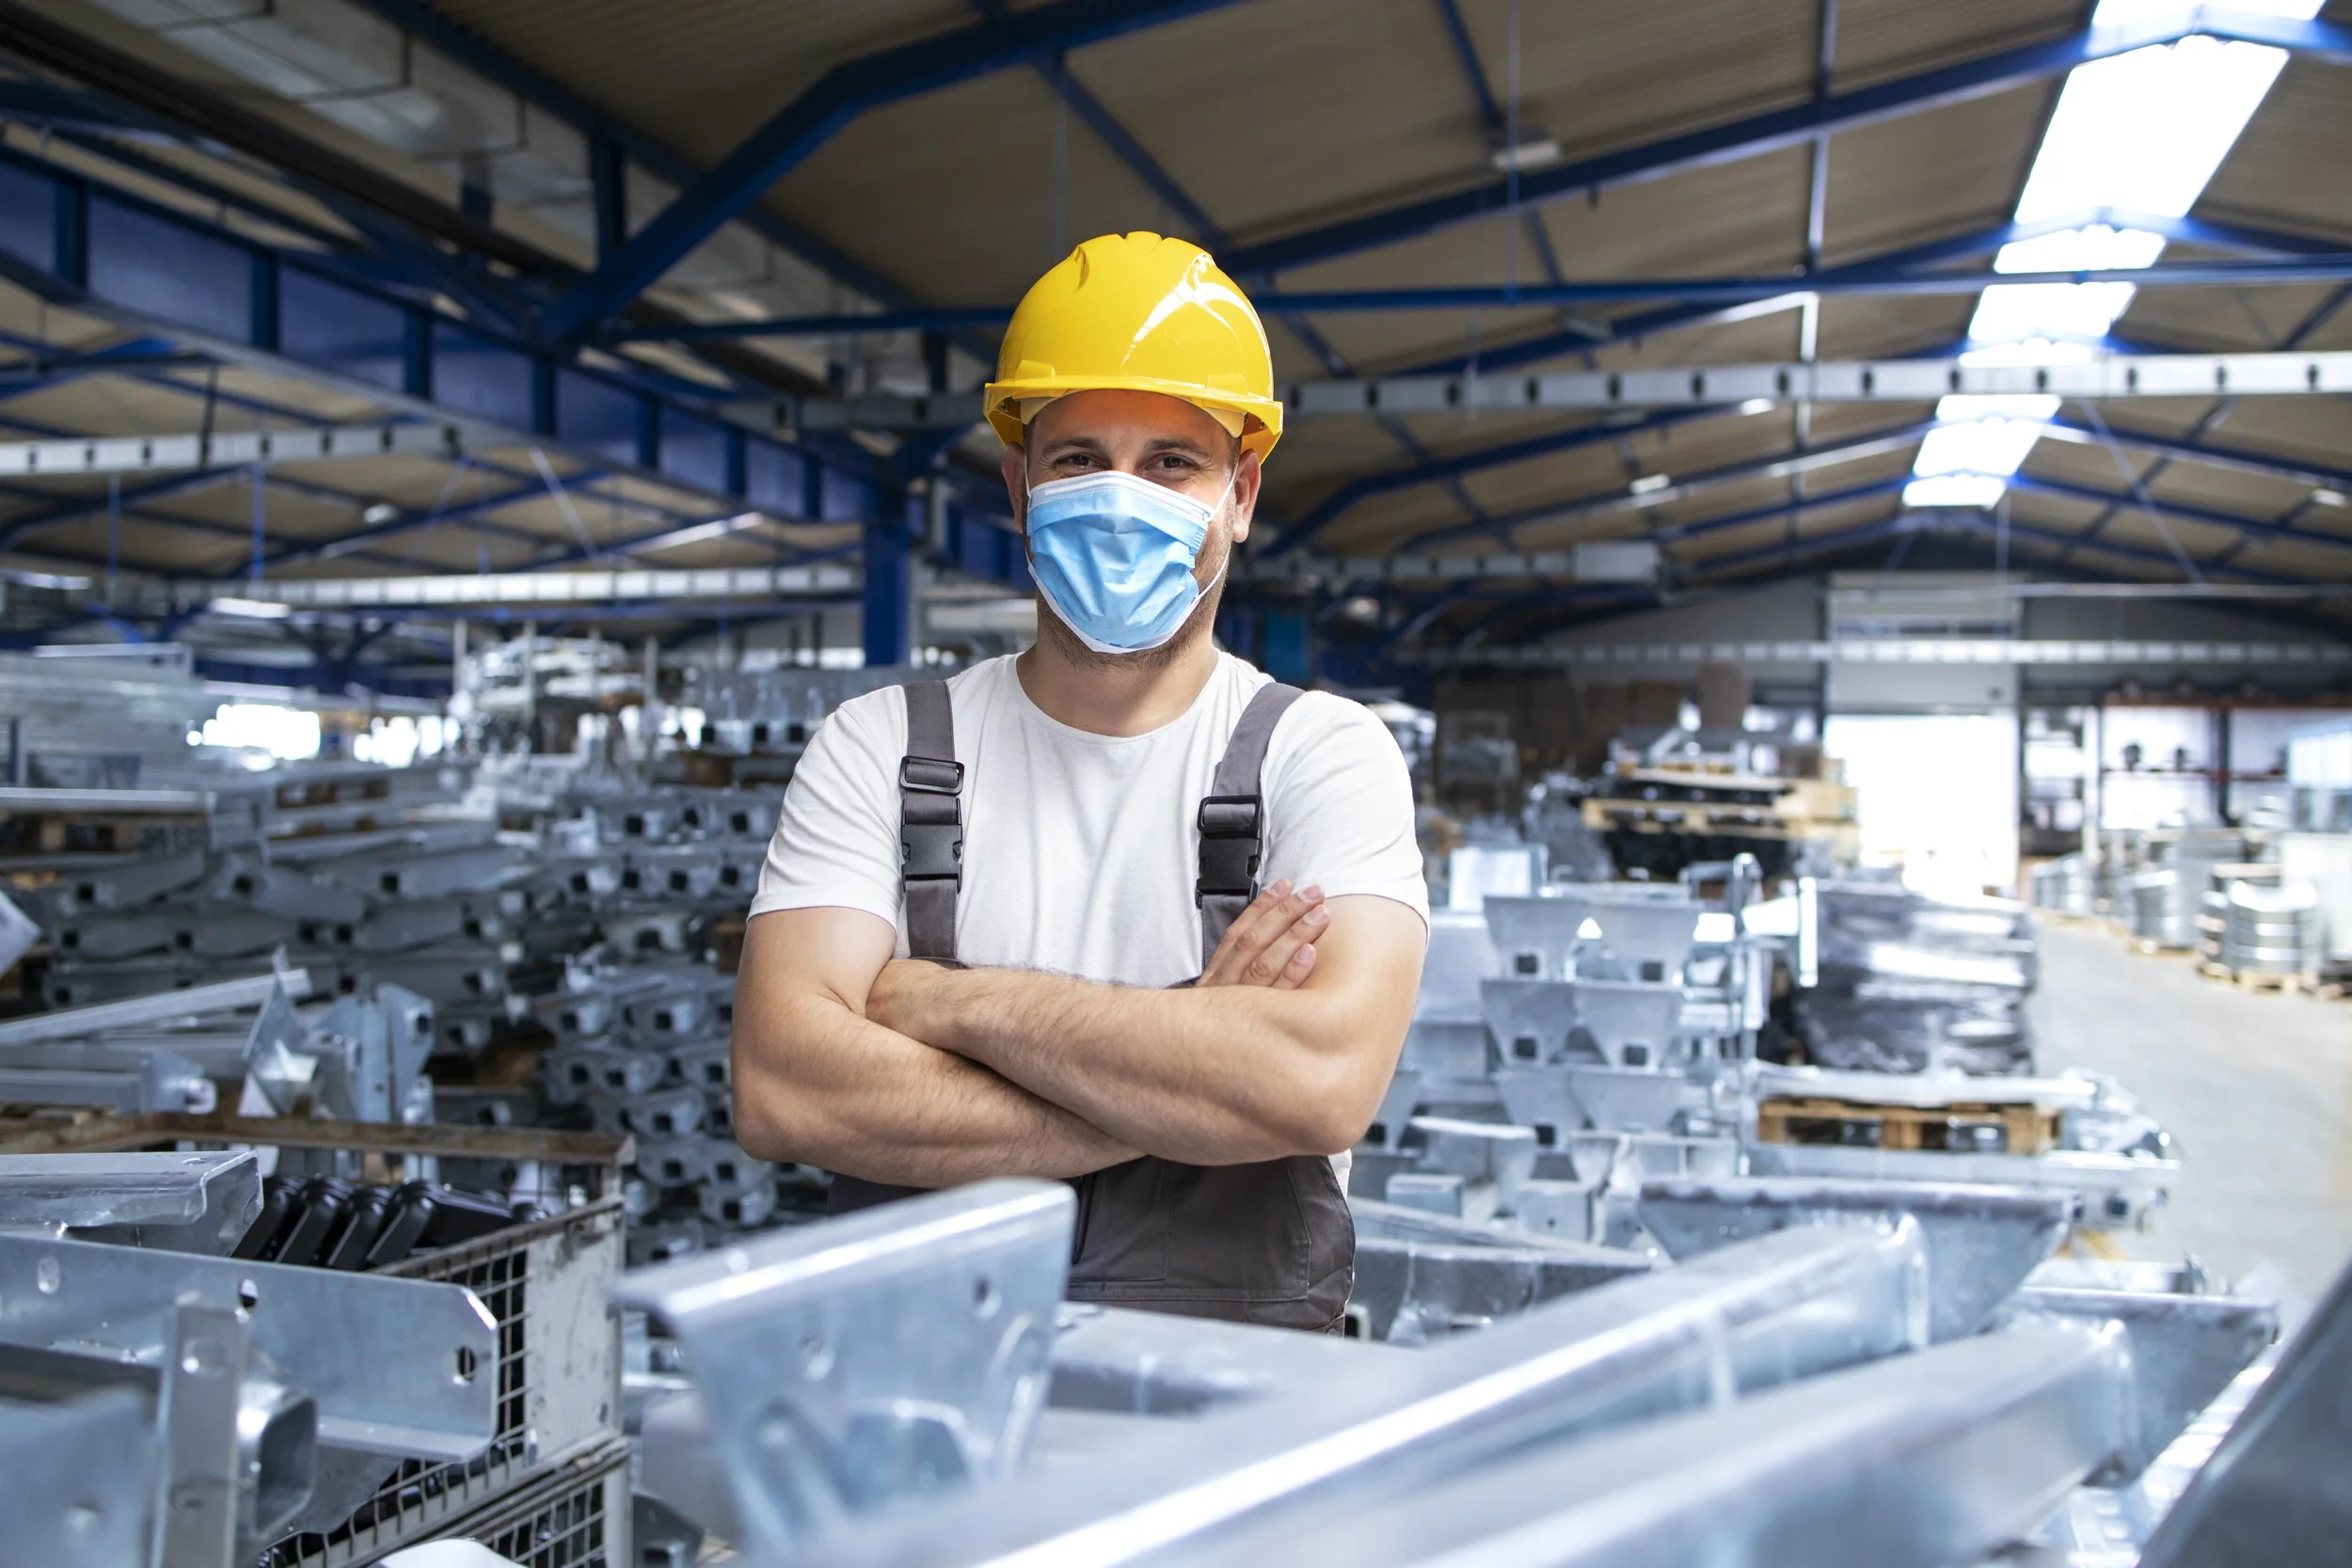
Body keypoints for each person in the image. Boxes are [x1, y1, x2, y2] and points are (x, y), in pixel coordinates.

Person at [731, 232, 1428, 1331]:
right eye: (1076, 459)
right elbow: (784, 1085)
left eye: (1170, 463)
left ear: (1239, 494)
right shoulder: (880, 746)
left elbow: (1318, 1084)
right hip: (917, 1407)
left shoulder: (1321, 753)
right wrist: (1200, 1053)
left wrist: (947, 1002)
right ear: (1017, 485)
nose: (1118, 498)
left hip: (1225, 1424)